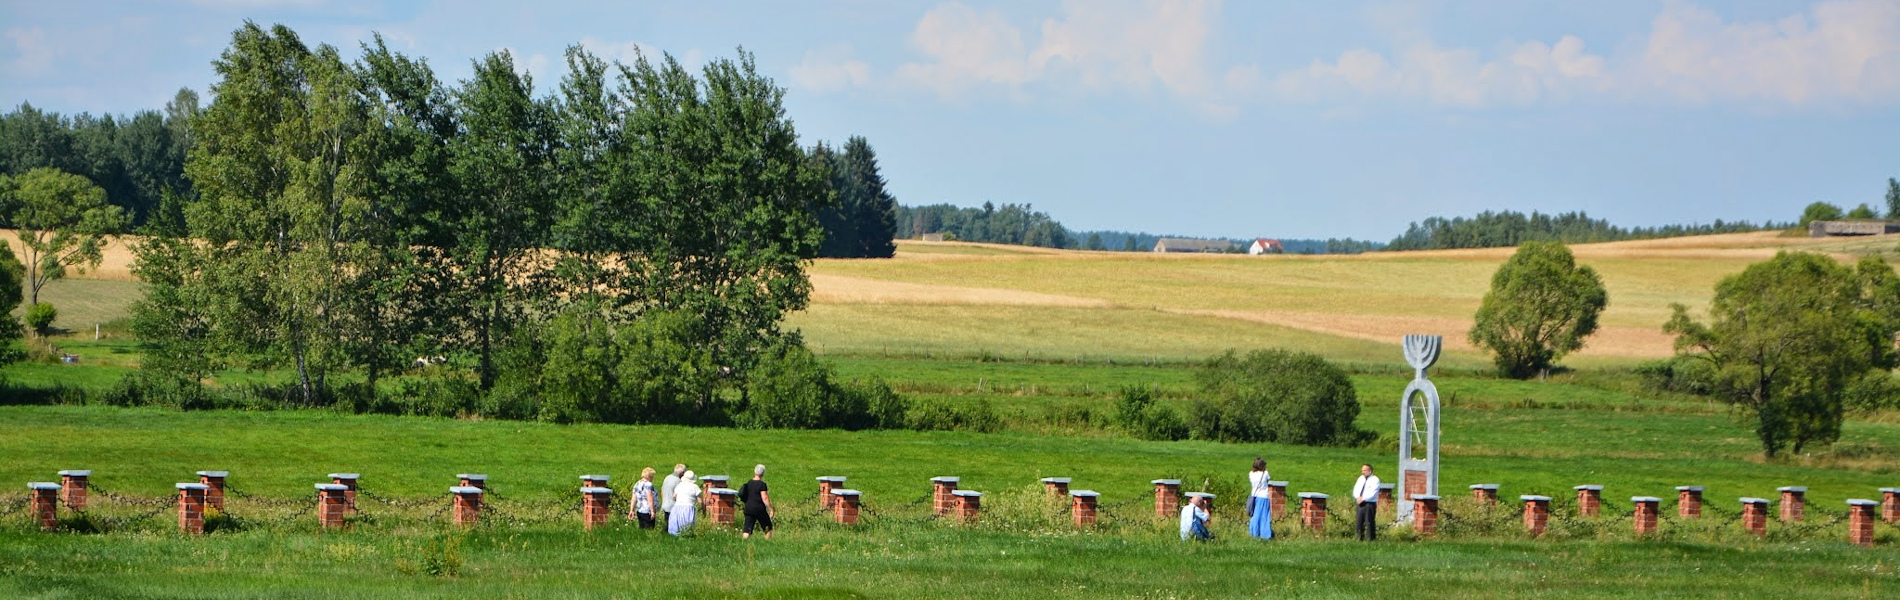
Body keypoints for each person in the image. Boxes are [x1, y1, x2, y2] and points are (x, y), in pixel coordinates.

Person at [738, 463, 775, 540]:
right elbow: (765, 498)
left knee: (747, 528)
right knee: (768, 527)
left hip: (748, 508)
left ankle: (744, 543)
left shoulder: (748, 483)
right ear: (763, 473)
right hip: (759, 509)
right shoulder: (762, 485)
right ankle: (767, 544)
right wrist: (771, 509)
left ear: (754, 472)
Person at [1351, 463, 1380, 541]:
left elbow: (1373, 493)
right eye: (1362, 470)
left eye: (1364, 470)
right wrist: (1357, 497)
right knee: (1359, 521)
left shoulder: (1375, 480)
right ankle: (1359, 538)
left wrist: (1363, 498)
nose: (1363, 472)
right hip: (1360, 503)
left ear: (1370, 471)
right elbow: (1356, 489)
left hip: (1369, 503)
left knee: (1369, 521)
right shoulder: (1360, 478)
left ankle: (1370, 539)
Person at [668, 470, 700, 536]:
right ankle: (686, 534)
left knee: (676, 522)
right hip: (688, 507)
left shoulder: (680, 485)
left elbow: (674, 496)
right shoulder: (695, 487)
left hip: (677, 506)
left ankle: (675, 535)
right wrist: (702, 507)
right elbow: (700, 500)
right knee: (687, 522)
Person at [1247, 457, 1273, 540]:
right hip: (1264, 496)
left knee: (1255, 515)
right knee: (1264, 516)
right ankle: (1265, 534)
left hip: (1254, 496)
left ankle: (1254, 532)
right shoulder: (1265, 473)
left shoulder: (1251, 473)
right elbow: (1268, 480)